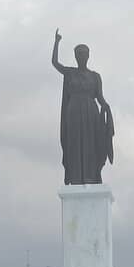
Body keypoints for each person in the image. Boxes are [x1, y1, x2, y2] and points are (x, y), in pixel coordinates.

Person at [52, 29, 113, 185]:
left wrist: (106, 106)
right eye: (79, 54)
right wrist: (57, 42)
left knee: (91, 143)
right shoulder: (70, 73)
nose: (81, 56)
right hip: (73, 112)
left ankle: (91, 175)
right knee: (74, 143)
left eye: (84, 54)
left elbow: (100, 97)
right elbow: (55, 63)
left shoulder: (95, 76)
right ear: (75, 57)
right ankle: (76, 176)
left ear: (88, 56)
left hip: (91, 112)